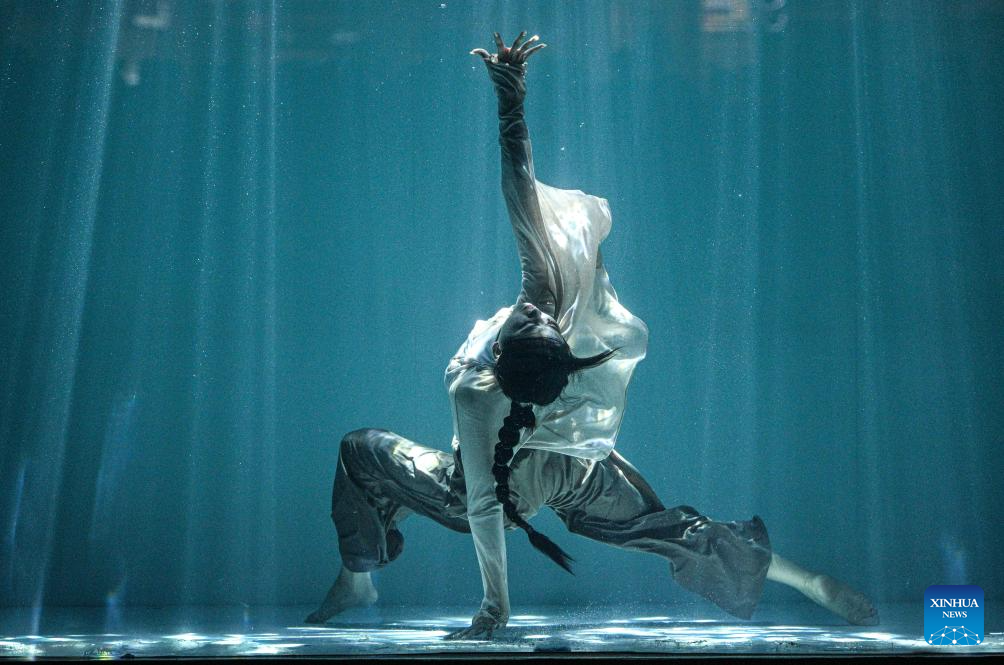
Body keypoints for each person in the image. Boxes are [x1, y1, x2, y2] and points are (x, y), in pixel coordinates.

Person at [305, 32, 879, 640]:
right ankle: (806, 581)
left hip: (517, 489)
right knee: (664, 527)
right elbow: (519, 188)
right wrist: (511, 101)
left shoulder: (481, 388)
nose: (534, 312)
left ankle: (359, 576)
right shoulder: (549, 305)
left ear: (502, 355)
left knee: (358, 449)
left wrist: (495, 608)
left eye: (533, 322)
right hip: (578, 467)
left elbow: (481, 507)